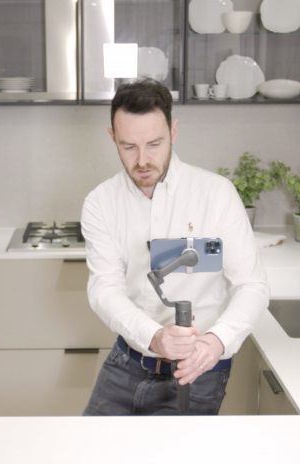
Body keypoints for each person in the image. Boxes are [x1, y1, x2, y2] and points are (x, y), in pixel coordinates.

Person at [81, 79, 270, 416]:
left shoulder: (217, 194)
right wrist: (154, 337)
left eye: (154, 144)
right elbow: (104, 290)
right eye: (128, 146)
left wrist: (216, 343)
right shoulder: (100, 203)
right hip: (128, 361)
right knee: (90, 456)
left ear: (174, 130)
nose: (142, 160)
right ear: (112, 137)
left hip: (197, 368)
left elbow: (251, 285)